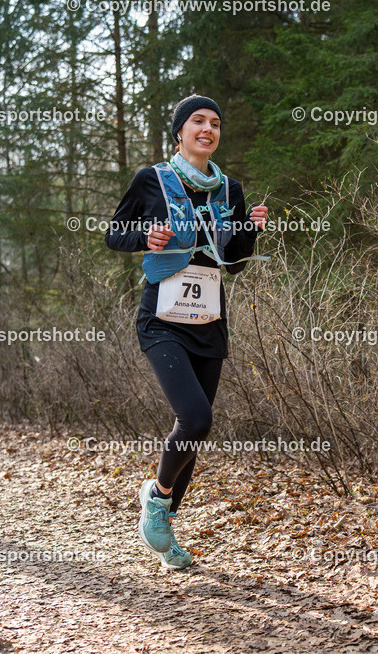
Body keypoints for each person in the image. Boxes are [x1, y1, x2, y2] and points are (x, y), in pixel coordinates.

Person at [104, 94, 268, 569]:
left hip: (209, 321)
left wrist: (250, 229)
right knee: (195, 419)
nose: (207, 129)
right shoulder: (151, 179)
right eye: (197, 121)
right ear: (180, 131)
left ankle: (164, 522)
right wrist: (143, 238)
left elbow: (234, 263)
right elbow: (114, 233)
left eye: (215, 123)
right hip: (161, 319)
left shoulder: (230, 190)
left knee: (192, 435)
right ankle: (156, 500)